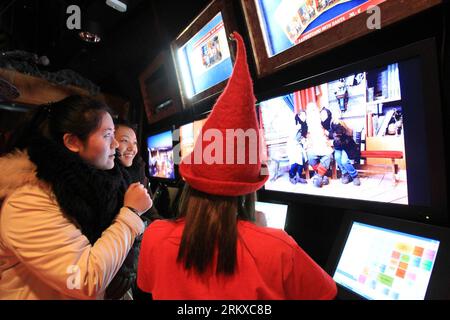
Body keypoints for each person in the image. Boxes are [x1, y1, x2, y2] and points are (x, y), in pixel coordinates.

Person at [136, 32, 337, 300]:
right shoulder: (279, 249)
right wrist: (262, 235)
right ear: (248, 190)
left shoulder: (155, 237)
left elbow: (148, 289)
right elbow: (326, 294)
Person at [0, 95, 152, 299]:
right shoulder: (27, 201)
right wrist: (131, 213)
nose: (115, 144)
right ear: (72, 142)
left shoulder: (87, 187)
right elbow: (84, 279)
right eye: (107, 135)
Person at [306, 103, 334, 188]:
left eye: (314, 110)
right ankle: (322, 175)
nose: (313, 112)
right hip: (313, 146)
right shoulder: (307, 123)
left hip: (323, 145)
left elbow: (331, 132)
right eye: (311, 111)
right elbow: (306, 135)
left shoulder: (322, 120)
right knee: (310, 156)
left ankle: (318, 176)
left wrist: (327, 134)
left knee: (328, 156)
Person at [330, 121, 361, 186]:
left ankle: (354, 176)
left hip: (347, 148)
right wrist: (335, 138)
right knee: (337, 157)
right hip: (338, 147)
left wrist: (341, 136)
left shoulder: (346, 132)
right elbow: (333, 141)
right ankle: (345, 174)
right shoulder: (332, 129)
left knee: (344, 161)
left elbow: (348, 144)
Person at [287, 111, 308, 184]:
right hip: (292, 145)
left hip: (299, 145)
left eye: (305, 115)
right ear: (299, 116)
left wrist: (303, 140)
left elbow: (303, 136)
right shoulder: (296, 123)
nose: (304, 117)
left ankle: (299, 176)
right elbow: (293, 137)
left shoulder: (304, 124)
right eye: (302, 116)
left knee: (302, 158)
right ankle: (291, 175)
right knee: (295, 159)